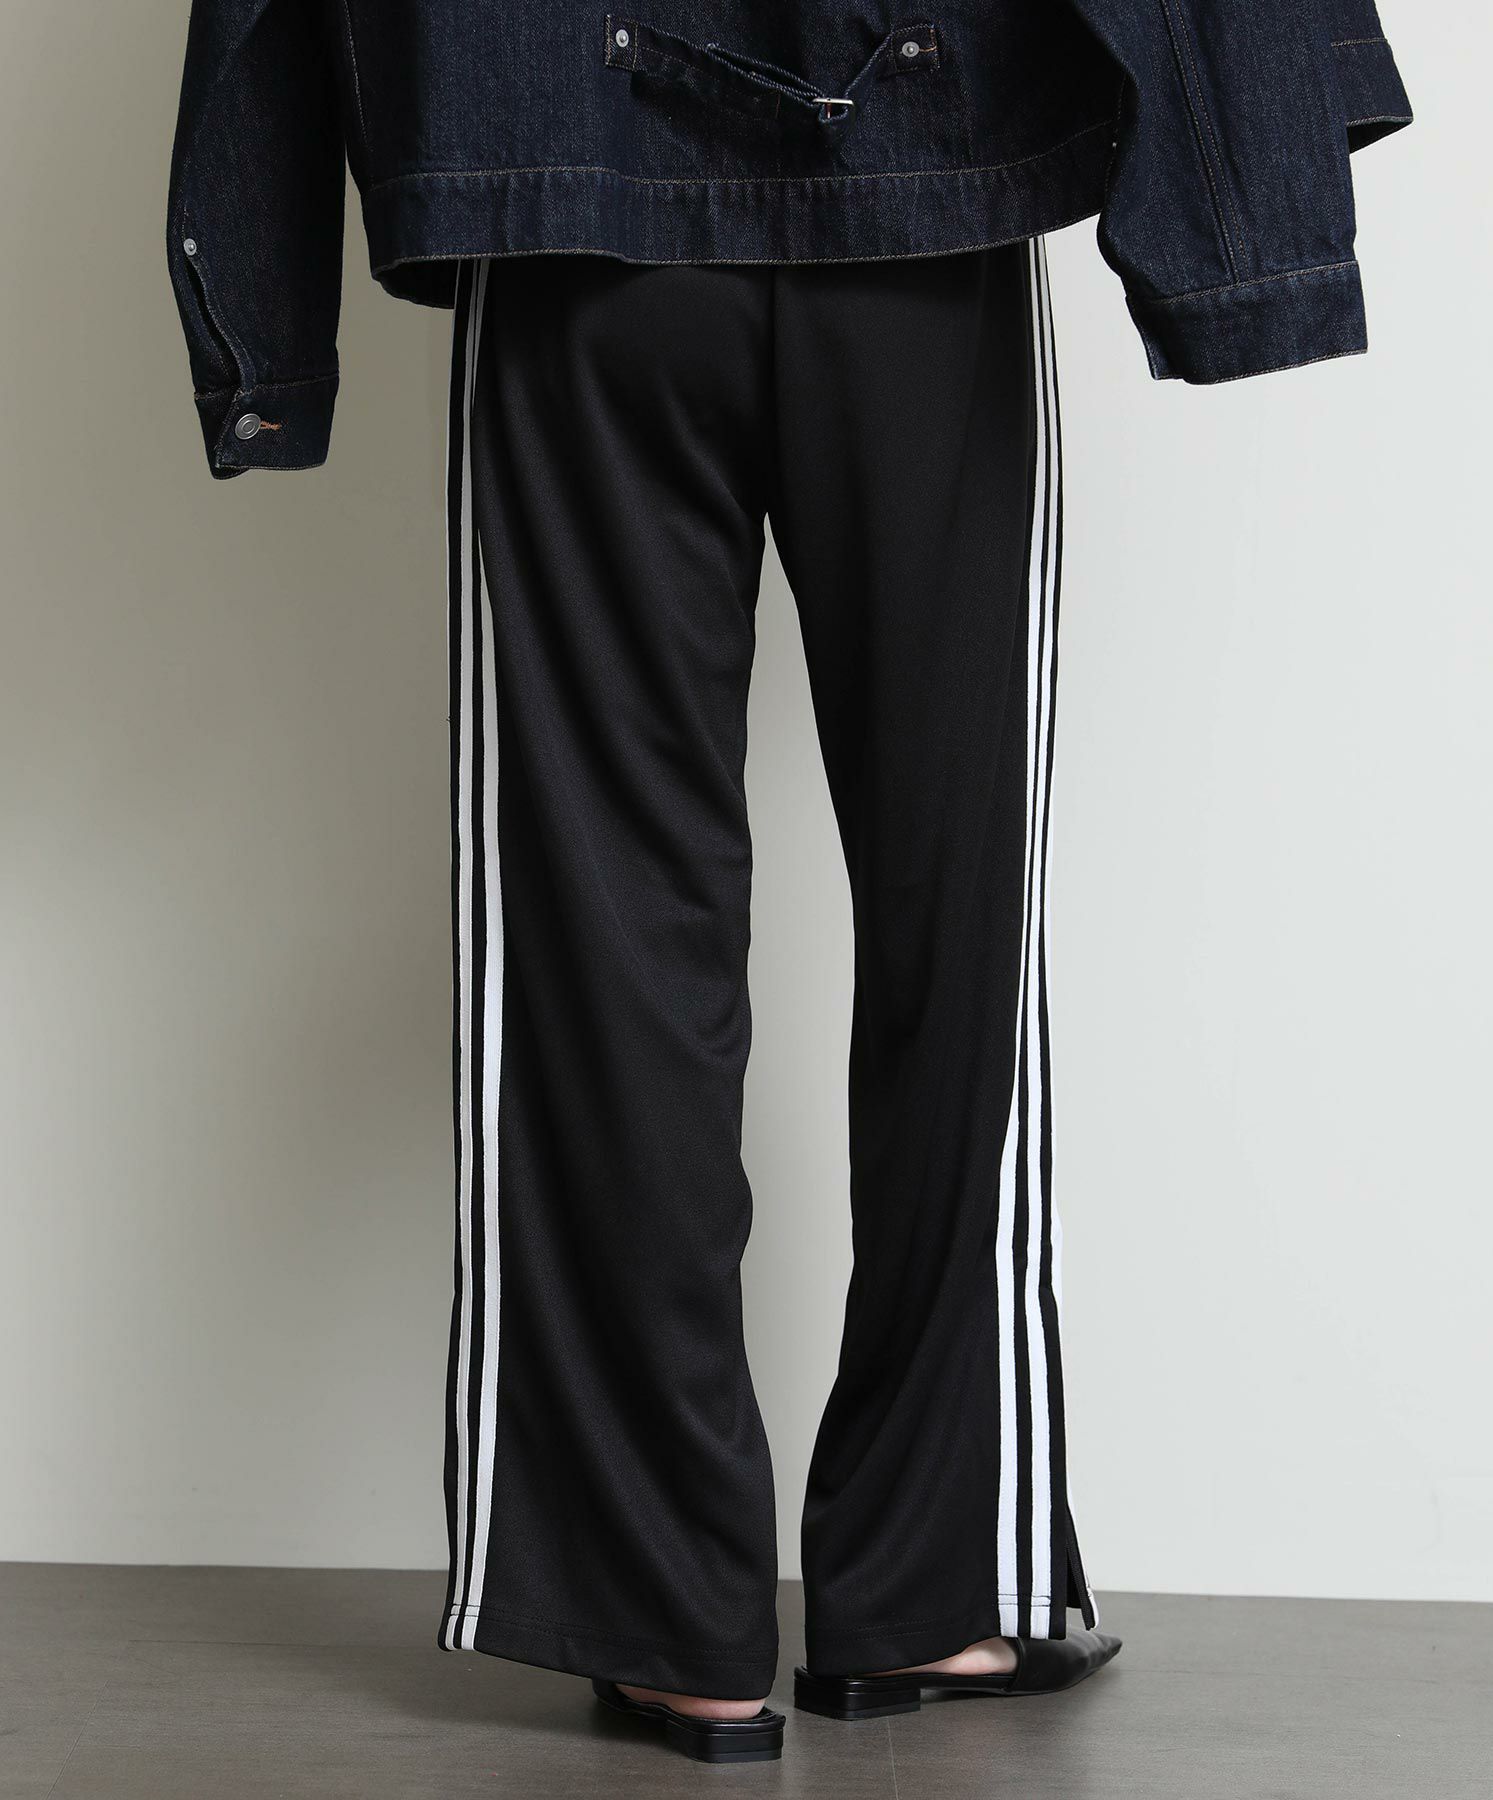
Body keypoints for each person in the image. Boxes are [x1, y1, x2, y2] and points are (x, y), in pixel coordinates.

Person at [165, 1, 1411, 1768]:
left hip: (569, 189)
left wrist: (258, 302)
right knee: (959, 919)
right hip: (924, 178)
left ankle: (665, 1618)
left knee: (596, 936)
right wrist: (1254, 193)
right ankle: (935, 1592)